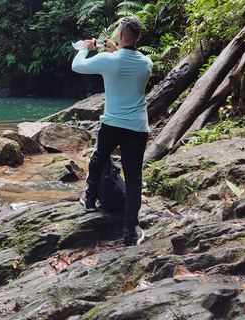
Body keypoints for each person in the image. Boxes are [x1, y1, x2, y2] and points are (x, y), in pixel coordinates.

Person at [71, 17, 153, 246]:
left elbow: (77, 66)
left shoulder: (107, 60)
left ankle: (89, 198)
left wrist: (86, 49)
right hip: (137, 127)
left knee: (98, 157)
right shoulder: (146, 63)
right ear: (139, 38)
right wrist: (117, 50)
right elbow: (127, 64)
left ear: (119, 35)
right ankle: (130, 229)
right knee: (134, 176)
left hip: (112, 124)